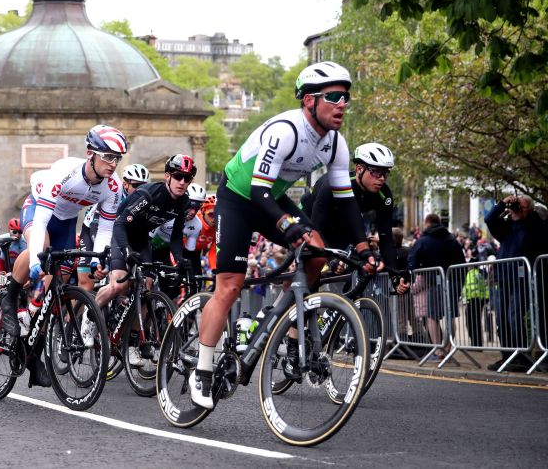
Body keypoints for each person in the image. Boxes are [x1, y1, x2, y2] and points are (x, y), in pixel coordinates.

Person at [191, 60, 375, 409]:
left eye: (346, 97)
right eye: (333, 96)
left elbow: (347, 202)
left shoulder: (335, 144)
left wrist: (365, 248)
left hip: (270, 199)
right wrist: (288, 226)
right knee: (229, 286)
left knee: (317, 252)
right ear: (309, 100)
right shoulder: (285, 131)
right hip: (240, 197)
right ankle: (202, 369)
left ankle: (291, 333)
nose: (342, 104)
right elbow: (258, 191)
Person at [0, 124, 126, 388]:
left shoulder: (112, 186)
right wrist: (35, 260)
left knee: (58, 285)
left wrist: (96, 260)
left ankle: (33, 347)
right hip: (39, 209)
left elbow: (105, 227)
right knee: (41, 249)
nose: (113, 164)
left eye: (117, 158)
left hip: (67, 221)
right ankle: (9, 295)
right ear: (91, 153)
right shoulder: (64, 172)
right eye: (108, 156)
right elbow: (43, 220)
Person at [90, 154, 196, 367]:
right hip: (121, 234)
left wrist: (181, 259)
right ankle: (89, 316)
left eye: (187, 178)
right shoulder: (150, 194)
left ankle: (130, 344)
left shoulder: (183, 202)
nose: (182, 182)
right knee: (119, 282)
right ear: (168, 176)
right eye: (178, 176)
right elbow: (119, 224)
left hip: (142, 240)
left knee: (146, 286)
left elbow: (175, 237)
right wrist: (127, 251)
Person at [301, 141, 409, 294]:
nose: (382, 178)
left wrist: (395, 276)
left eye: (385, 173)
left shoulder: (383, 195)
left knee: (358, 264)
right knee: (313, 272)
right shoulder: (333, 185)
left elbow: (386, 239)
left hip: (342, 227)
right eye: (376, 172)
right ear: (359, 169)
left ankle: (340, 312)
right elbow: (317, 228)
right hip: (310, 221)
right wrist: (330, 260)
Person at [484, 193, 548, 371]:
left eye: (521, 206)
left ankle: (521, 356)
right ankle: (507, 355)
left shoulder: (534, 225)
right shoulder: (507, 225)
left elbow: (525, 243)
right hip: (503, 277)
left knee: (514, 316)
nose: (516, 209)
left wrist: (520, 219)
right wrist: (503, 204)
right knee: (502, 319)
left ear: (529, 209)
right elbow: (489, 219)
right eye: (516, 205)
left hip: (521, 278)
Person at [78, 162, 150, 291]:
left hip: (118, 233)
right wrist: (101, 257)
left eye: (144, 186)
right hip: (93, 229)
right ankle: (81, 308)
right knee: (86, 283)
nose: (140, 190)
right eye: (136, 186)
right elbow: (98, 230)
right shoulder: (114, 195)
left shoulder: (144, 200)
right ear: (125, 185)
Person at [408, 213, 465, 360]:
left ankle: (438, 349)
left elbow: (412, 261)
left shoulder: (423, 240)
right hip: (454, 281)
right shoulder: (452, 239)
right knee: (451, 315)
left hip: (434, 282)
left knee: (432, 317)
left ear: (427, 223)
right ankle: (449, 347)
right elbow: (462, 261)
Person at [148, 181, 206, 301]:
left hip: (164, 251)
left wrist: (195, 276)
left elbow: (191, 254)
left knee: (172, 287)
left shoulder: (196, 225)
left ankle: (161, 313)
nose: (193, 212)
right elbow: (147, 239)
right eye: (191, 206)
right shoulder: (167, 214)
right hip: (148, 246)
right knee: (146, 281)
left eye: (197, 207)